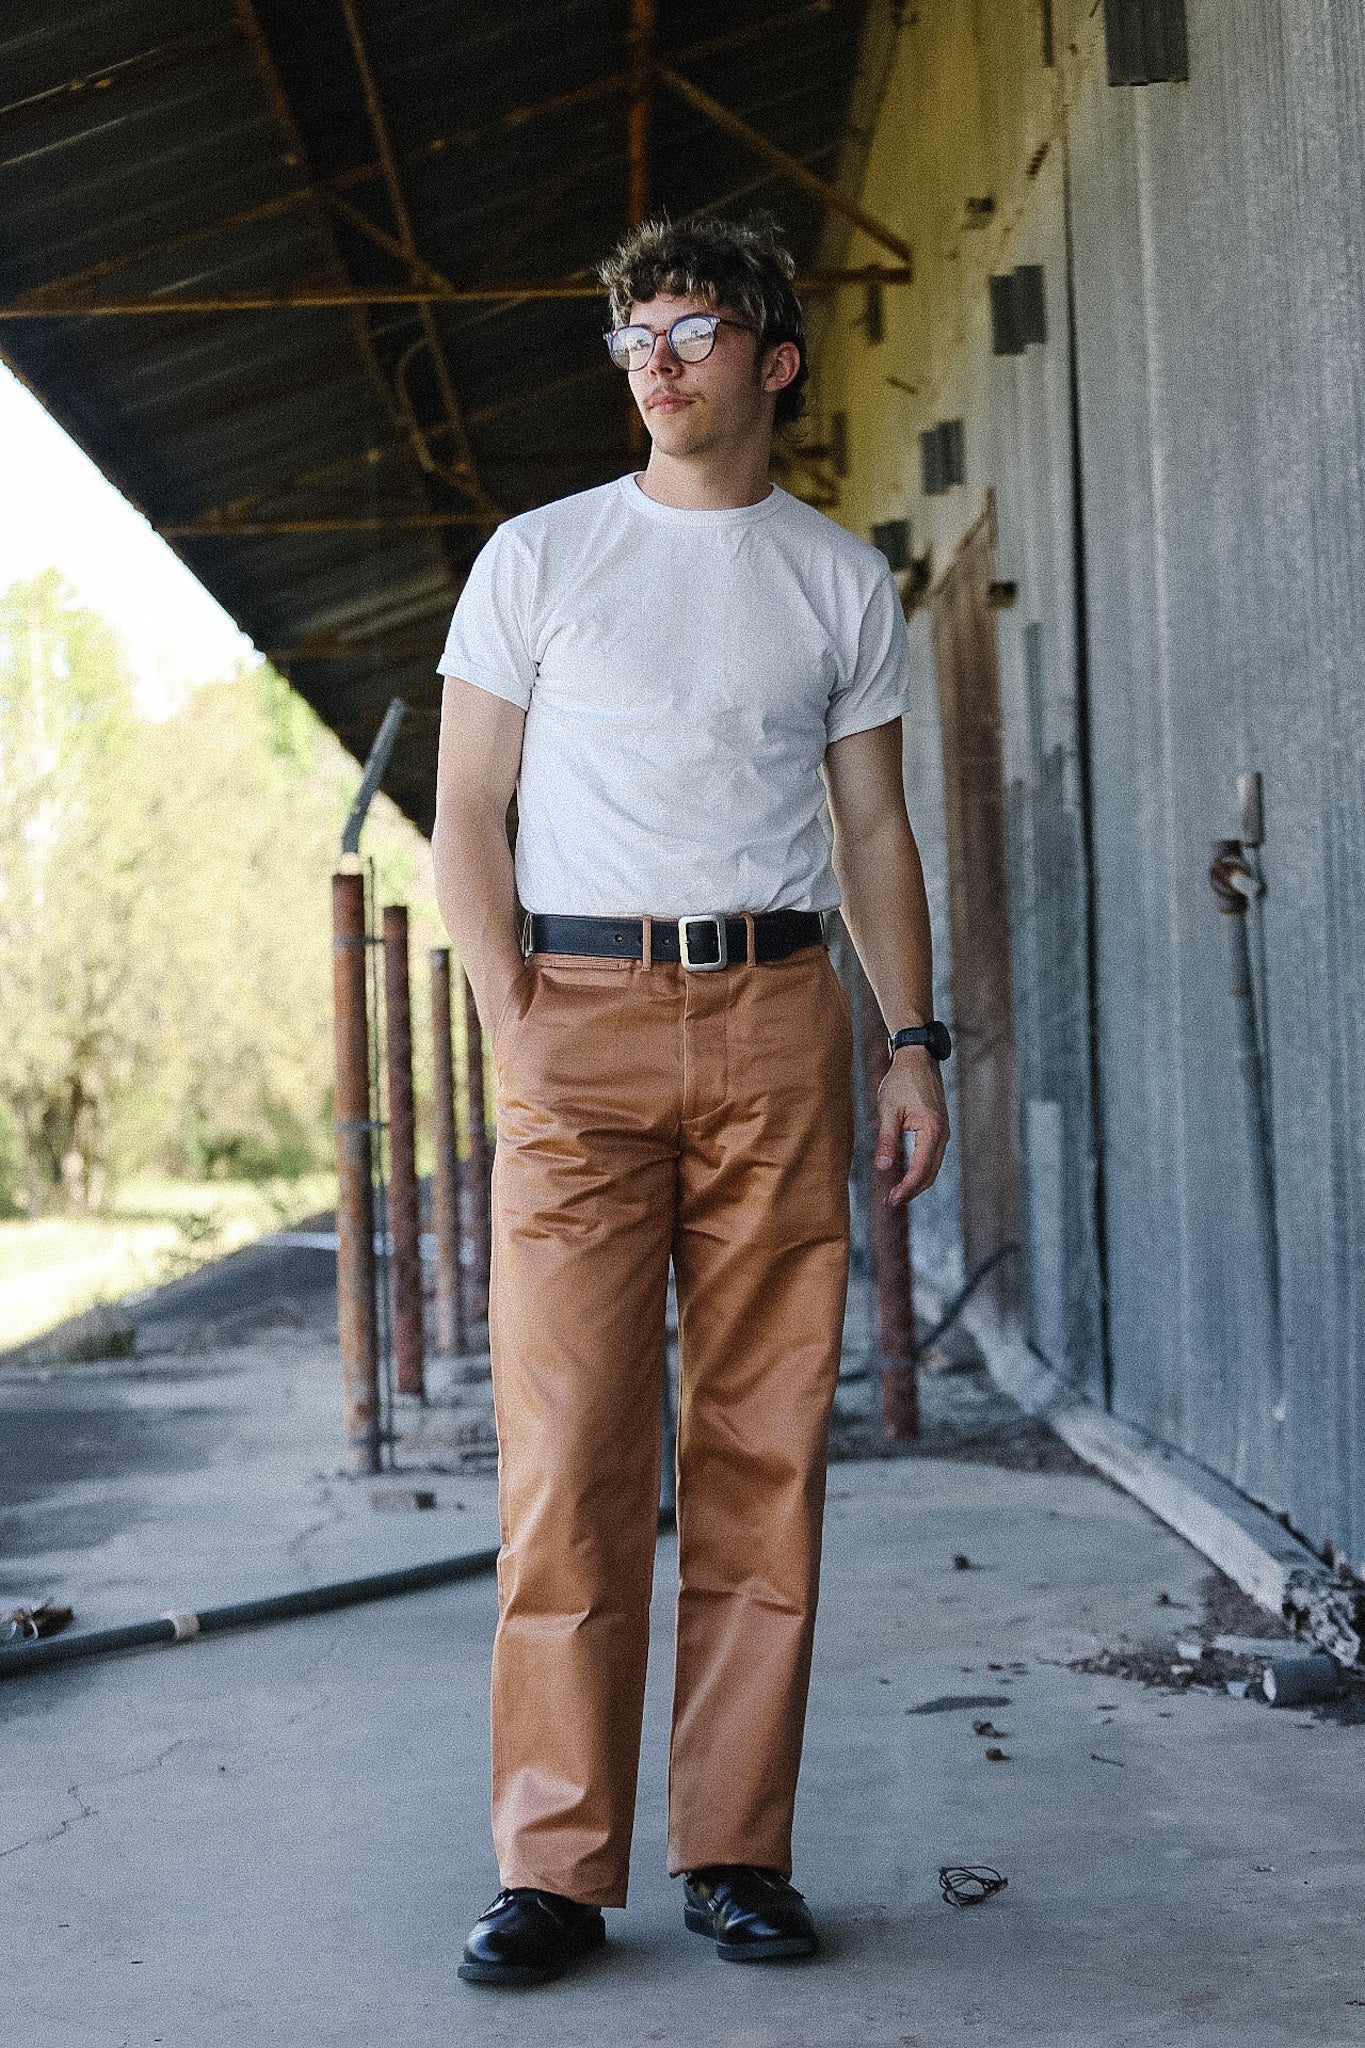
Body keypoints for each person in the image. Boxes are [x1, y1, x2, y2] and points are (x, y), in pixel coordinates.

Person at [431, 212, 950, 1988]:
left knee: (760, 1447)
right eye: (633, 336)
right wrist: (517, 1017)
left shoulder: (833, 578)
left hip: (773, 1019)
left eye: (691, 331)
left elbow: (875, 830)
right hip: (574, 1016)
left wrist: (910, 1041)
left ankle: (735, 1849)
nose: (655, 361)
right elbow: (466, 820)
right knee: (568, 1452)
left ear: (770, 359)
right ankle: (553, 1870)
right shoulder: (541, 555)